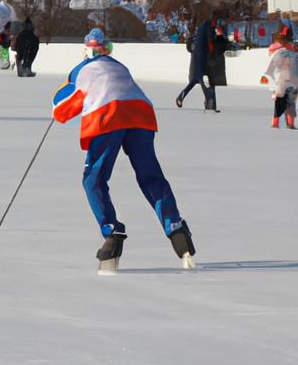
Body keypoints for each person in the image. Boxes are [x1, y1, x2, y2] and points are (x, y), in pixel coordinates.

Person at [52, 27, 196, 271]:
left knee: (93, 179)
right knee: (150, 176)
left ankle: (111, 233)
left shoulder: (82, 68)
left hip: (107, 115)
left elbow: (61, 105)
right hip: (141, 113)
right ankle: (175, 227)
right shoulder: (119, 65)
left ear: (87, 49)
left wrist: (60, 105)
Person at [261, 26, 298, 129]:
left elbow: (275, 65)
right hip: (293, 81)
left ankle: (276, 123)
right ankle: (290, 123)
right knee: (290, 103)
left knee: (280, 102)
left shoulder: (280, 52)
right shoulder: (294, 54)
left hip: (283, 81)